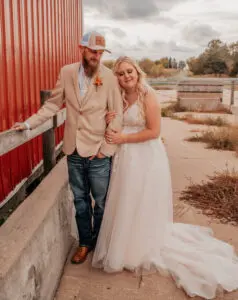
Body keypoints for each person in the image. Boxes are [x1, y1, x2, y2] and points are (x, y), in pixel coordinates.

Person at [92, 56, 238, 299]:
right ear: (116, 77)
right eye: (121, 73)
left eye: (130, 71)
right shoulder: (117, 95)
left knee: (142, 199)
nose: (126, 76)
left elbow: (154, 131)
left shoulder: (147, 94)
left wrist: (123, 139)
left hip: (144, 155)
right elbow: (118, 120)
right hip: (124, 157)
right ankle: (125, 244)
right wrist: (110, 120)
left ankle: (140, 246)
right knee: (126, 199)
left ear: (137, 72)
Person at [13, 31, 123, 264]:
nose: (97, 56)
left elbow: (117, 116)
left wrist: (106, 149)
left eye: (101, 52)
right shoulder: (66, 72)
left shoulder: (110, 77)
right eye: (93, 51)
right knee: (80, 201)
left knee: (101, 202)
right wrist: (28, 124)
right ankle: (84, 243)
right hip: (72, 150)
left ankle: (100, 243)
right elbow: (52, 106)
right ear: (81, 48)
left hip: (98, 152)